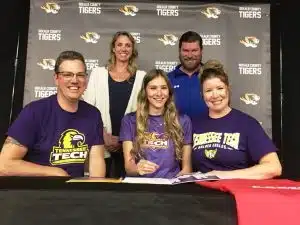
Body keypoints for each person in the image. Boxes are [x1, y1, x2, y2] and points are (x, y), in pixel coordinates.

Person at [0, 50, 106, 177]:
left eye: (80, 75)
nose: (75, 80)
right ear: (56, 78)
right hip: (38, 193)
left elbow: (96, 161)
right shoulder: (34, 112)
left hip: (76, 194)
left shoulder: (93, 114)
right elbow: (4, 165)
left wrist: (96, 193)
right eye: (67, 75)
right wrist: (54, 172)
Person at [192, 60, 282, 179]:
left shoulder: (247, 124)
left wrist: (222, 175)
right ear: (202, 95)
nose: (215, 95)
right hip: (201, 194)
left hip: (236, 193)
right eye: (208, 90)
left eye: (220, 88)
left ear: (228, 89)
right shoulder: (194, 124)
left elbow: (274, 167)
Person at [83, 31, 146, 178]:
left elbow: (143, 113)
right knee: (102, 190)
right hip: (100, 143)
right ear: (113, 48)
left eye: (128, 45)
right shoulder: (98, 74)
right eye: (119, 45)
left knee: (128, 192)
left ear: (132, 50)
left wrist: (124, 139)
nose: (123, 49)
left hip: (130, 145)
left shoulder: (142, 77)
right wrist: (103, 134)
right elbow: (87, 109)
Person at [119, 69, 192, 178]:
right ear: (145, 91)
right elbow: (129, 168)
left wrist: (179, 182)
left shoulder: (183, 121)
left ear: (169, 91)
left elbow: (187, 169)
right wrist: (137, 168)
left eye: (163, 88)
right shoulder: (129, 120)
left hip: (170, 187)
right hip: (141, 189)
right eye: (153, 88)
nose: (159, 93)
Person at [168, 31, 208, 118]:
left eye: (194, 50)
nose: (190, 55)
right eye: (186, 51)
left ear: (201, 51)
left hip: (208, 131)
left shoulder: (211, 77)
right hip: (176, 131)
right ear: (179, 51)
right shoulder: (167, 80)